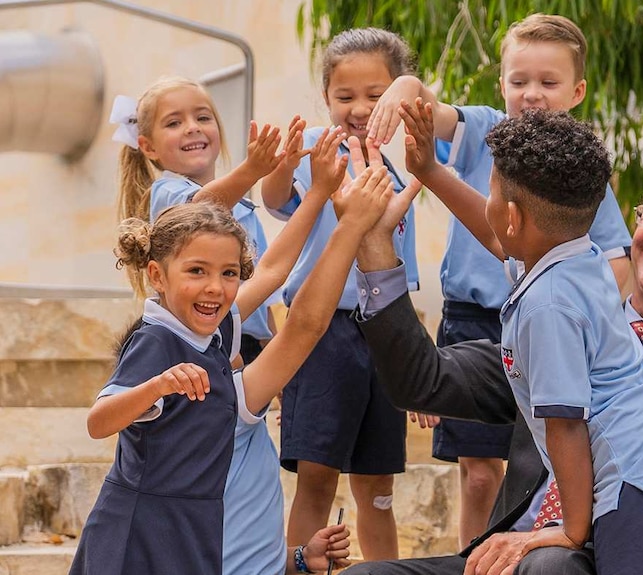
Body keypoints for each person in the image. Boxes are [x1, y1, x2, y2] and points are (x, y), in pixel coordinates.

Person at [342, 130, 643, 573]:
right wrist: (376, 240)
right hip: (508, 557)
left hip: (617, 555)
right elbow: (423, 378)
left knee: (551, 566)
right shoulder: (571, 301)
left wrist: (562, 533)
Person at [70, 149, 409, 574]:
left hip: (188, 535)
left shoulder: (207, 337)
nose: (216, 288)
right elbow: (98, 422)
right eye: (196, 271)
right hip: (139, 538)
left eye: (229, 274)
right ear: (157, 276)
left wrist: (320, 194)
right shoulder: (158, 340)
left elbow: (272, 272)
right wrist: (156, 387)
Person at [365, 14, 633, 546]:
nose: (531, 94)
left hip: (548, 330)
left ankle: (542, 539)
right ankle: (477, 556)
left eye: (548, 82)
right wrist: (403, 86)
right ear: (501, 85)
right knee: (481, 473)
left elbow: (618, 261)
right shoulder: (485, 129)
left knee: (541, 454)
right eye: (519, 81)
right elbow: (430, 111)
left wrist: (579, 313)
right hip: (475, 319)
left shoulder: (577, 168)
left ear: (577, 91)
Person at [260, 27, 420, 560]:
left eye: (376, 95)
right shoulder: (320, 153)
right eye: (344, 96)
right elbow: (278, 198)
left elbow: (400, 274)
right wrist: (283, 166)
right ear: (326, 98)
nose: (359, 108)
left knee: (377, 489)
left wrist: (415, 355)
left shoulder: (397, 172)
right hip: (321, 332)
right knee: (318, 477)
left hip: (382, 333)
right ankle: (299, 567)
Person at [110, 76, 304, 364]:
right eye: (174, 123)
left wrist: (273, 358)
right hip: (197, 342)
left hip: (247, 345)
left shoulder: (245, 211)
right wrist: (251, 171)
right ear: (148, 147)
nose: (192, 128)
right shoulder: (166, 193)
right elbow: (200, 213)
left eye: (203, 117)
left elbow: (261, 293)